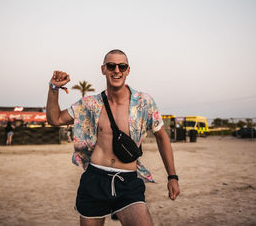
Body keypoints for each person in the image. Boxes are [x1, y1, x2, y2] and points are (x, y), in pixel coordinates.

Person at [46, 49, 180, 226]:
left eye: (122, 66)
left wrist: (172, 177)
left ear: (128, 70)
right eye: (111, 66)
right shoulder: (90, 104)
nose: (117, 70)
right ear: (103, 69)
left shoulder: (143, 102)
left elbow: (162, 138)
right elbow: (54, 119)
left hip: (128, 182)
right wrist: (54, 89)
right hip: (94, 179)